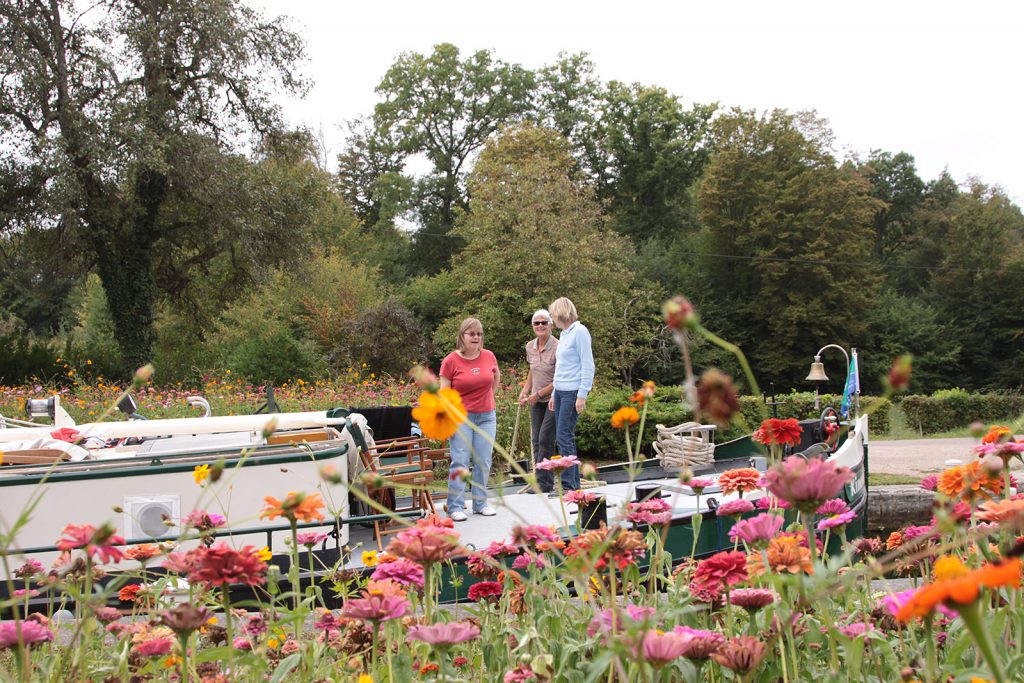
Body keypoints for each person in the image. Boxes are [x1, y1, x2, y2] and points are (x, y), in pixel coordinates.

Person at [440, 317, 500, 521]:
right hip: (461, 418)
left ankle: (480, 503)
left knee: (483, 460)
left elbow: (495, 377)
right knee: (460, 461)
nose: (476, 337)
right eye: (471, 334)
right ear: (462, 336)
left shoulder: (489, 356)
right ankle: (455, 506)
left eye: (479, 334)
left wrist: (489, 397)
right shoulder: (450, 361)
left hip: (487, 417)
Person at [549, 297, 594, 493]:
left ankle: (569, 486)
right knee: (563, 436)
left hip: (572, 392)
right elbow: (561, 366)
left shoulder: (580, 332)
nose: (551, 319)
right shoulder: (564, 334)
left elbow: (588, 364)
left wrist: (582, 394)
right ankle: (573, 485)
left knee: (564, 436)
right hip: (560, 391)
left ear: (561, 313)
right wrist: (553, 392)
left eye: (552, 314)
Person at [518, 308, 558, 493]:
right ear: (533, 326)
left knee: (545, 439)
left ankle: (545, 484)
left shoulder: (559, 346)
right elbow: (533, 371)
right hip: (536, 400)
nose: (540, 326)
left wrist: (539, 394)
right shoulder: (530, 346)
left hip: (553, 399)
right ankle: (541, 481)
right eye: (537, 323)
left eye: (544, 322)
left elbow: (559, 379)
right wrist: (525, 391)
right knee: (536, 440)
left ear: (550, 324)